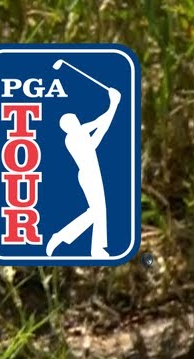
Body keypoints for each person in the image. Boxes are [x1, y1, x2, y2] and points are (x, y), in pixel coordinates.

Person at [47, 85, 121, 258]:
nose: (77, 120)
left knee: (98, 211)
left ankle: (94, 248)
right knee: (96, 211)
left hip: (92, 172)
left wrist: (113, 105)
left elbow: (100, 127)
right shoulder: (73, 138)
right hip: (88, 174)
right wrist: (113, 104)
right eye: (73, 120)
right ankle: (64, 237)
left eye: (76, 119)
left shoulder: (80, 134)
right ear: (68, 126)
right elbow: (100, 126)